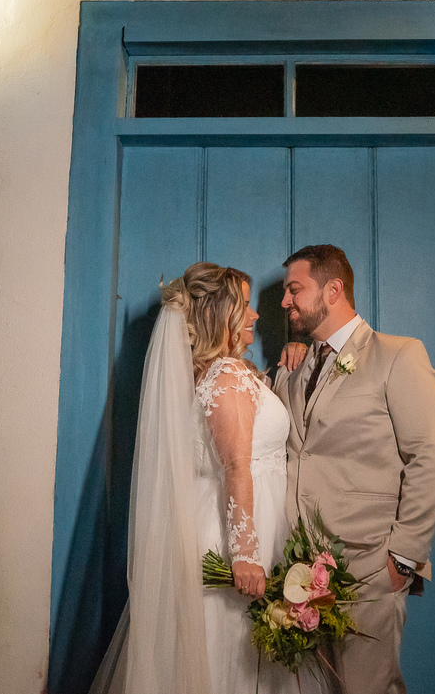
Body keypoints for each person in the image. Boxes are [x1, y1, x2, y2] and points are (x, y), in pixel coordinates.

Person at [91, 262, 313, 694]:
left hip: (244, 524)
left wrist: (294, 354)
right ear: (221, 314)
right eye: (246, 306)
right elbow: (235, 465)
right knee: (229, 664)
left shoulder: (230, 371)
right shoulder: (227, 376)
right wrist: (245, 555)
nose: (256, 315)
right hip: (236, 538)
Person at [274, 245, 435, 694]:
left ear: (334, 290)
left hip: (369, 568)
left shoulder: (398, 355)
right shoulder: (293, 365)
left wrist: (402, 560)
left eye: (295, 289)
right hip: (298, 576)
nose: (284, 302)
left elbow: (431, 458)